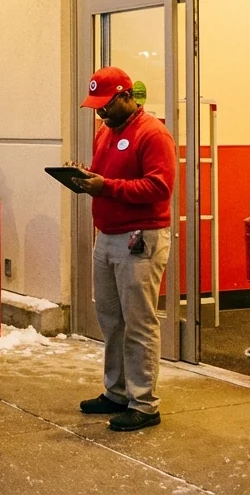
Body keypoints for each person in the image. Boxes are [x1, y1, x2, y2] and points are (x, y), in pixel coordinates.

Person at [66, 66, 175, 433]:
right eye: (95, 106)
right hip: (108, 236)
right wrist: (84, 178)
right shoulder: (105, 132)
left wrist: (107, 188)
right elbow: (104, 175)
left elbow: (159, 188)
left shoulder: (153, 133)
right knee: (111, 320)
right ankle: (116, 391)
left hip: (140, 239)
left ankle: (144, 403)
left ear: (126, 97)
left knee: (139, 322)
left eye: (106, 105)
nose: (100, 113)